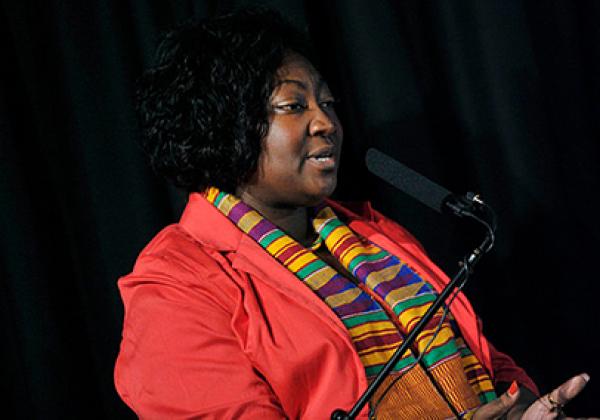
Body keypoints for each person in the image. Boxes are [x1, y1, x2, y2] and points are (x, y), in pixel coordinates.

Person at [114, 9, 593, 419]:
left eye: (326, 102)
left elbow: (483, 360)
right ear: (222, 126)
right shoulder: (176, 286)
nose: (326, 123)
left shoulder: (374, 234)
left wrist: (523, 405)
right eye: (293, 105)